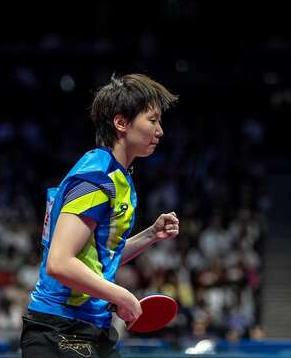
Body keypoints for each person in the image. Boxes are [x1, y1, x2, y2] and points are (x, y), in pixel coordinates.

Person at [21, 73, 180, 358]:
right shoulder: (96, 178)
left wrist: (151, 235)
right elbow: (59, 262)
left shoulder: (119, 178)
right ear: (121, 123)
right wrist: (122, 296)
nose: (160, 131)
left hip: (92, 327)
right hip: (59, 328)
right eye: (153, 120)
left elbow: (101, 257)